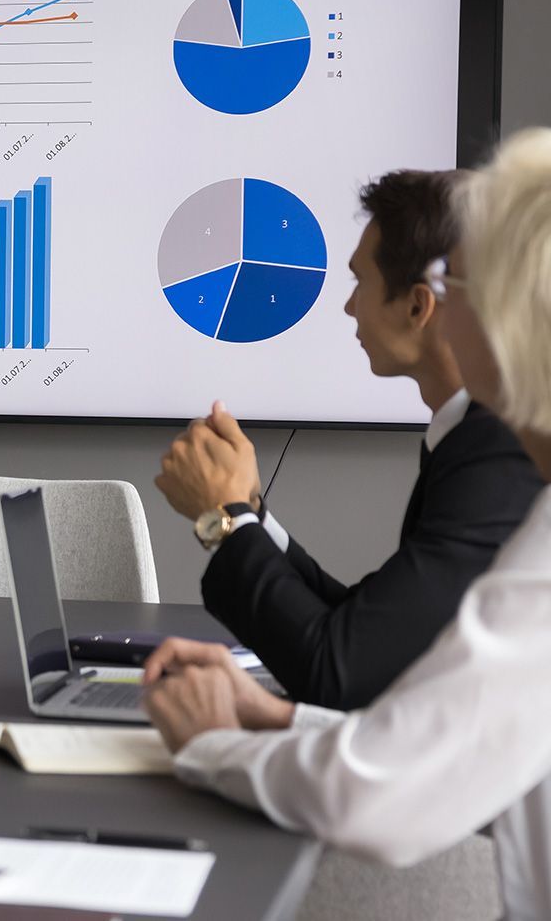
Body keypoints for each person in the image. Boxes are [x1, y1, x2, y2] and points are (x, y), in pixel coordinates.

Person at [142, 129, 551, 917]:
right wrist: (281, 713)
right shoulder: (498, 465)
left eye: (455, 286)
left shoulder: (509, 477)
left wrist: (208, 745)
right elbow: (402, 673)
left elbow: (375, 768)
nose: (346, 303)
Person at [153, 170, 542, 709]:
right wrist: (249, 515)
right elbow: (366, 627)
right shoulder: (471, 435)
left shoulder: (498, 452)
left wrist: (222, 518)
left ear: (417, 306)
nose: (348, 306)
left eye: (360, 282)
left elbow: (340, 670)